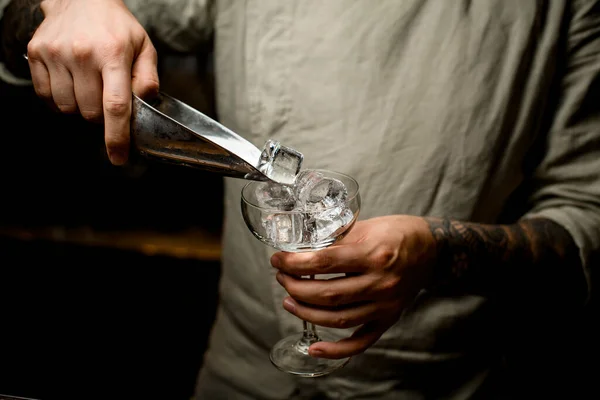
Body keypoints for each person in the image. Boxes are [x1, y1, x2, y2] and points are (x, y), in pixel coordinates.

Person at [1, 0, 599, 398]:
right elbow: (17, 15)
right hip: (239, 371)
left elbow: (587, 218)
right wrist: (63, 5)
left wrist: (437, 252)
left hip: (443, 381)